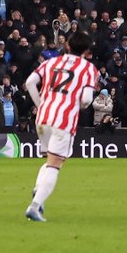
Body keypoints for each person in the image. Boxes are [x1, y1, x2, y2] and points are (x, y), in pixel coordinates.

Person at [23, 31, 99, 222]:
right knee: (55, 165)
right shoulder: (89, 68)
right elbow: (87, 99)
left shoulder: (50, 62)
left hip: (43, 117)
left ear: (67, 46)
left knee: (49, 160)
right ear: (87, 51)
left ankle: (38, 190)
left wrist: (40, 104)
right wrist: (78, 105)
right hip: (63, 120)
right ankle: (34, 205)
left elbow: (30, 82)